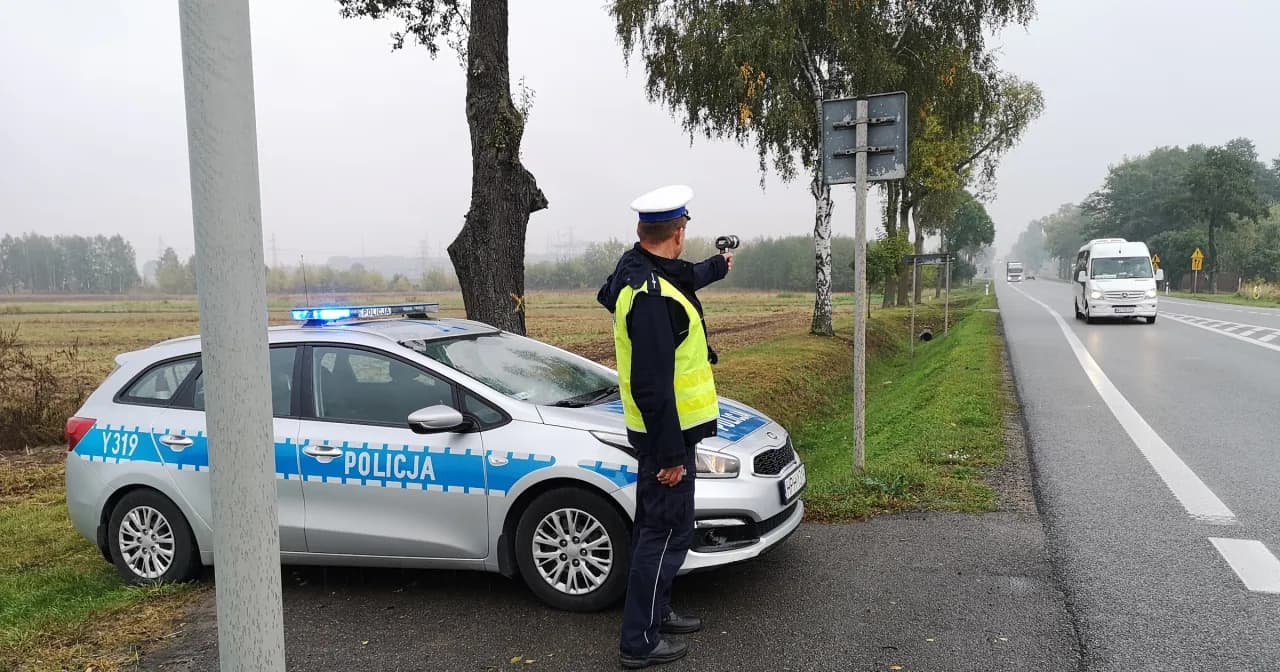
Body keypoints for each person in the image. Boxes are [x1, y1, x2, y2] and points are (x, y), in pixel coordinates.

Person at [596, 184, 732, 669]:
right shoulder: (651, 297)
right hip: (664, 439)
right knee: (658, 533)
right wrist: (671, 454)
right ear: (676, 233)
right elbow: (652, 384)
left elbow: (684, 275)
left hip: (674, 433)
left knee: (673, 528)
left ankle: (658, 611)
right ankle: (639, 642)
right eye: (684, 229)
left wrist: (717, 267)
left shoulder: (641, 272)